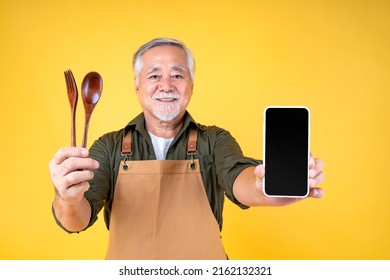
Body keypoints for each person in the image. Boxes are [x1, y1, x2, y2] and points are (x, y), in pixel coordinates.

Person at [49, 37, 325, 260]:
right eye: (154, 75)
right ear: (137, 85)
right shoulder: (109, 147)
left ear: (191, 85)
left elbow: (240, 178)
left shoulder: (214, 140)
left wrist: (266, 185)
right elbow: (76, 221)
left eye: (177, 75)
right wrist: (67, 199)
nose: (166, 85)